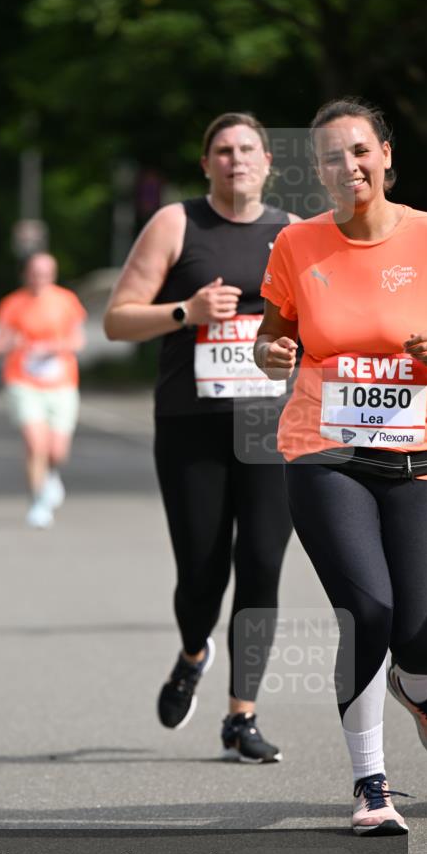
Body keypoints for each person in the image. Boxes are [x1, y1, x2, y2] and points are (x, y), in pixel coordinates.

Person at [255, 98, 427, 834]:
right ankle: (370, 784)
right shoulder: (296, 243)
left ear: (385, 154)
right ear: (318, 171)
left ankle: (414, 685)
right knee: (369, 612)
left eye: (359, 150)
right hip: (324, 450)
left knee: (419, 635)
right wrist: (271, 354)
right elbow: (271, 339)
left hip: (416, 455)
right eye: (332, 156)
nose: (348, 166)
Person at [105, 113, 300, 762]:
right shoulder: (175, 223)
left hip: (270, 425)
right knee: (200, 573)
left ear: (267, 162)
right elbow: (116, 320)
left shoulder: (294, 233)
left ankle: (241, 716)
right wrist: (185, 311)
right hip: (191, 422)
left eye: (247, 149)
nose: (235, 159)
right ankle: (193, 652)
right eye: (222, 150)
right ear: (205, 163)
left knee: (263, 564)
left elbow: (321, 324)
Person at [0, 252, 86, 529]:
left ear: (53, 275)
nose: (39, 279)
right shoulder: (12, 304)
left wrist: (54, 347)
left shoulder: (66, 301)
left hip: (61, 383)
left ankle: (51, 474)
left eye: (45, 274)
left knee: (57, 451)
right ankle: (38, 502)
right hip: (23, 381)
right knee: (36, 445)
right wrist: (11, 344)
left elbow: (78, 341)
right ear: (26, 274)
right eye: (35, 273)